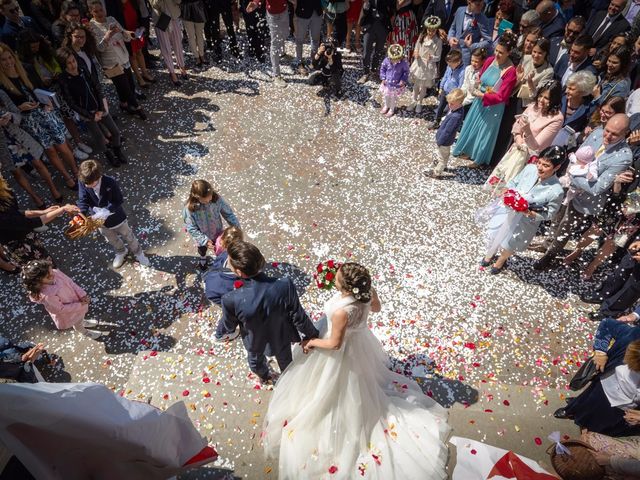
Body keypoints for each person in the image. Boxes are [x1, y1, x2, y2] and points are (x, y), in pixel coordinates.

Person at [262, 262, 450, 479]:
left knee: (335, 388)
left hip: (342, 351)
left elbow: (335, 344)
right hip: (360, 340)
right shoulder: (367, 292)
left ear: (346, 287)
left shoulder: (342, 312)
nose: (335, 276)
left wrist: (312, 342)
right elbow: (376, 308)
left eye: (338, 276)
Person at [535, 114, 633, 270]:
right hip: (569, 185)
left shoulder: (623, 157)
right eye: (607, 130)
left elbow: (598, 188)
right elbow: (577, 157)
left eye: (614, 134)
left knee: (565, 226)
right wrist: (570, 175)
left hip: (587, 198)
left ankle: (550, 256)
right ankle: (546, 243)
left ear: (626, 133)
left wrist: (573, 177)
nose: (607, 136)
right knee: (557, 217)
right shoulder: (596, 133)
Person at [220, 241, 320, 383]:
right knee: (286, 361)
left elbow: (229, 325)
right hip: (281, 336)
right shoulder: (285, 285)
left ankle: (265, 376)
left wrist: (224, 331)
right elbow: (299, 317)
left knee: (255, 362)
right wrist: (313, 335)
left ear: (239, 272)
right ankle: (288, 381)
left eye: (229, 262)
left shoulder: (231, 299)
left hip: (254, 340)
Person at [0, 43, 79, 189]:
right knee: (50, 151)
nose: (8, 62)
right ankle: (67, 178)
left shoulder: (26, 68)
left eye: (10, 57)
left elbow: (41, 87)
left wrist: (47, 102)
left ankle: (76, 172)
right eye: (3, 59)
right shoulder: (1, 84)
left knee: (62, 145)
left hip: (44, 112)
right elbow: (8, 108)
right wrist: (19, 107)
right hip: (28, 121)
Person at [479, 146, 565, 274]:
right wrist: (507, 191)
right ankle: (490, 254)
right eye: (539, 162)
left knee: (511, 242)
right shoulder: (530, 168)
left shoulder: (556, 190)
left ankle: (501, 261)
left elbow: (550, 213)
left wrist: (530, 213)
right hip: (508, 210)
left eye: (546, 165)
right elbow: (514, 182)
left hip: (526, 220)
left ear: (557, 168)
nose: (540, 168)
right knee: (496, 232)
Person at [452, 33, 518, 167]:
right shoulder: (489, 60)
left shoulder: (510, 71)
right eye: (497, 51)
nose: (498, 54)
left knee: (485, 131)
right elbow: (482, 78)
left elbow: (502, 96)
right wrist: (478, 84)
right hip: (480, 99)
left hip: (493, 105)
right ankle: (469, 151)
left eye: (502, 52)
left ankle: (479, 158)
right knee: (474, 126)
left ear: (509, 53)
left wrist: (483, 94)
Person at [486, 80, 564, 191]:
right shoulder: (532, 106)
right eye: (540, 96)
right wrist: (518, 139)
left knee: (514, 191)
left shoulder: (557, 118)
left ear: (554, 100)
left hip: (530, 159)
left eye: (546, 98)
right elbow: (517, 125)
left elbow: (537, 145)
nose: (541, 100)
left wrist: (527, 130)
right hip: (516, 150)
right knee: (498, 186)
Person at [57, 47, 128, 167]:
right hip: (86, 113)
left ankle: (117, 150)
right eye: (69, 63)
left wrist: (100, 108)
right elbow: (71, 102)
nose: (73, 65)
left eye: (73, 61)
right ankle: (109, 155)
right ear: (64, 64)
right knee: (99, 137)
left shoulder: (83, 70)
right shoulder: (63, 79)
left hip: (98, 106)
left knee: (115, 132)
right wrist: (90, 115)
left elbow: (96, 87)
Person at [555, 339, 640, 437]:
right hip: (607, 385)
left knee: (602, 424)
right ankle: (572, 411)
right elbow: (607, 324)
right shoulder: (634, 333)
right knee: (587, 404)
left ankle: (592, 435)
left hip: (625, 406)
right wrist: (600, 352)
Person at [76, 159, 150, 269]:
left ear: (98, 177)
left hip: (116, 218)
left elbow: (118, 200)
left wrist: (106, 210)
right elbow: (83, 199)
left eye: (90, 183)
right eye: (85, 184)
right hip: (99, 221)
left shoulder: (110, 182)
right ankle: (121, 251)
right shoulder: (84, 182)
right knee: (110, 238)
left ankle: (138, 253)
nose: (87, 186)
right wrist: (80, 214)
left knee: (128, 236)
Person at [0, 89, 64, 208]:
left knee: (38, 163)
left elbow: (18, 115)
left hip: (19, 136)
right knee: (17, 173)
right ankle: (35, 198)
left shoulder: (1, 93)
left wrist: (10, 116)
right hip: (3, 147)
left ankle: (53, 189)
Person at [0, 175, 79, 270]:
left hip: (26, 236)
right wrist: (62, 209)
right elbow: (32, 223)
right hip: (19, 246)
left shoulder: (3, 191)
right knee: (44, 271)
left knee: (48, 266)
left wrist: (43, 212)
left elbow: (15, 213)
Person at [22, 259, 109, 340]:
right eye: (48, 276)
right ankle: (84, 332)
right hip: (68, 314)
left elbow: (70, 282)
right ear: (38, 281)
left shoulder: (55, 273)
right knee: (76, 322)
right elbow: (60, 309)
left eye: (51, 270)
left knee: (80, 317)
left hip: (77, 302)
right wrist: (80, 304)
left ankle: (83, 322)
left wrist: (82, 295)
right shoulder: (47, 296)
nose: (52, 274)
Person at [87, 0, 147, 119]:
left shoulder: (111, 19)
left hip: (123, 57)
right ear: (91, 12)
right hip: (111, 63)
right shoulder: (91, 26)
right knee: (125, 87)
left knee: (129, 84)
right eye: (96, 11)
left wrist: (124, 32)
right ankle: (138, 108)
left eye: (101, 10)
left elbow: (126, 38)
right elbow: (99, 48)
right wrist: (108, 36)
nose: (100, 13)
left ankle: (123, 104)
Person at [182, 179, 240, 271]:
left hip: (217, 232)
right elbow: (191, 227)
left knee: (219, 249)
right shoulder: (189, 209)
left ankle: (220, 262)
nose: (209, 200)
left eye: (210, 196)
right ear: (197, 197)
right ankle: (203, 258)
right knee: (202, 249)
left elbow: (228, 213)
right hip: (202, 236)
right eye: (205, 200)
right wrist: (204, 240)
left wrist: (236, 227)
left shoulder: (216, 200)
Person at [246, 0, 290, 87]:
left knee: (285, 34)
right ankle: (276, 75)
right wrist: (255, 3)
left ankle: (281, 53)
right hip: (272, 14)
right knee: (275, 43)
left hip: (284, 10)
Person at [551, 70, 597, 148]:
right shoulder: (559, 98)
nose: (567, 91)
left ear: (583, 92)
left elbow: (584, 131)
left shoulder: (590, 108)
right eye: (567, 87)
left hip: (566, 146)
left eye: (571, 89)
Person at [427, 88, 465, 178]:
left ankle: (437, 172)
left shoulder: (456, 116)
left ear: (459, 103)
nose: (449, 105)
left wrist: (440, 141)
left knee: (442, 157)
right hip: (444, 137)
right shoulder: (456, 109)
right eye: (449, 103)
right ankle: (442, 166)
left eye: (452, 104)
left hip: (445, 140)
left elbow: (448, 131)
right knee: (443, 154)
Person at [149, 0, 188, 86]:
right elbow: (154, 5)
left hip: (174, 17)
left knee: (178, 45)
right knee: (165, 48)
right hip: (160, 19)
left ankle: (182, 66)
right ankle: (172, 72)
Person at [408, 16, 442, 113]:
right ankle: (414, 100)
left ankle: (420, 102)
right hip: (419, 63)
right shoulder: (422, 37)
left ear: (436, 30)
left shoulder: (438, 41)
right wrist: (416, 53)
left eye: (433, 31)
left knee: (423, 86)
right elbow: (416, 48)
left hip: (428, 65)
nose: (431, 33)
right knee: (415, 85)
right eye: (429, 30)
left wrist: (432, 58)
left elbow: (438, 56)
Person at [358, 0, 395, 84]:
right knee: (366, 51)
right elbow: (364, 7)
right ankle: (365, 72)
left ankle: (374, 69)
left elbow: (393, 9)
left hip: (382, 25)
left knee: (379, 50)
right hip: (369, 24)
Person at [446, 0, 492, 67]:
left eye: (482, 4)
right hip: (453, 53)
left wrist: (472, 46)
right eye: (478, 4)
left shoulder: (483, 19)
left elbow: (488, 41)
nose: (481, 7)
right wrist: (450, 38)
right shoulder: (460, 10)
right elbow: (453, 28)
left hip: (466, 58)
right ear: (469, 2)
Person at [516, 37, 554, 108]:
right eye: (534, 52)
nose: (536, 56)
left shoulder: (548, 72)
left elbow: (537, 94)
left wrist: (530, 82)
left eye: (540, 53)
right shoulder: (526, 58)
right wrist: (518, 78)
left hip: (526, 104)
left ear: (546, 54)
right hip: (513, 94)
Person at [430, 49, 464, 127]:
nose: (449, 66)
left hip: (453, 95)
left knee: (451, 110)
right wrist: (441, 87)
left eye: (451, 64)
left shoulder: (462, 72)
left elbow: (460, 86)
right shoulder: (449, 66)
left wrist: (456, 97)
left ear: (458, 62)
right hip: (445, 91)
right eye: (448, 64)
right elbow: (445, 76)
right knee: (440, 106)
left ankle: (447, 124)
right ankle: (436, 121)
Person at [379, 43, 409, 117]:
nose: (394, 61)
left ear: (400, 57)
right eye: (393, 59)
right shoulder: (386, 60)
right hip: (387, 83)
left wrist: (402, 80)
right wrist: (383, 78)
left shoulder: (403, 63)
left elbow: (406, 72)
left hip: (396, 85)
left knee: (393, 98)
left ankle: (392, 108)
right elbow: (382, 69)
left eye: (396, 59)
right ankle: (386, 106)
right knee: (386, 96)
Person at [292, 0, 322, 74]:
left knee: (315, 39)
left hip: (317, 11)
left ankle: (313, 61)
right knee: (299, 39)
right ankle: (299, 62)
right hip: (302, 11)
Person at [460, 46, 487, 114]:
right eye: (472, 60)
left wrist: (464, 102)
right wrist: (460, 95)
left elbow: (477, 92)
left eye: (476, 61)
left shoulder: (483, 74)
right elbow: (465, 84)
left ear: (483, 61)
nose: (473, 63)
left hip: (473, 102)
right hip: (464, 99)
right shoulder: (468, 68)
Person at [181, 0, 207, 67]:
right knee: (192, 36)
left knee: (199, 35)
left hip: (198, 9)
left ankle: (201, 55)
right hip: (187, 9)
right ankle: (197, 56)